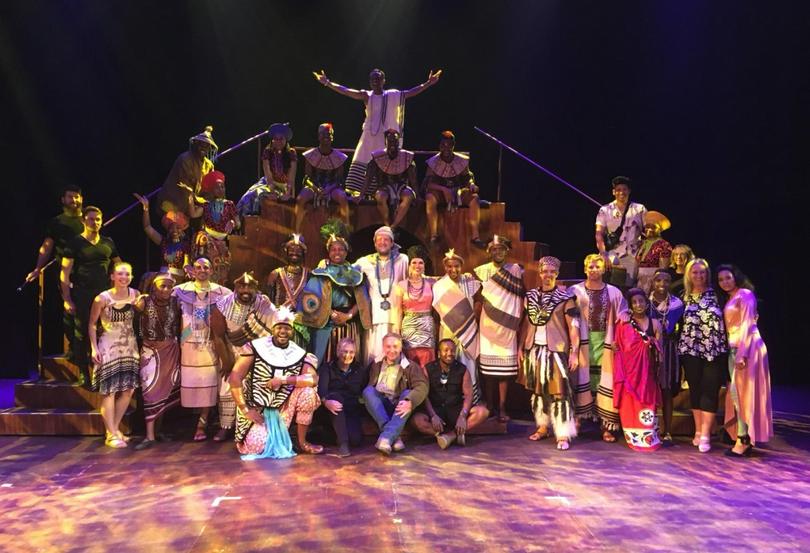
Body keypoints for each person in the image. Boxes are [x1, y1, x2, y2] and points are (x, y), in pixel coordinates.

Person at [313, 67, 442, 194]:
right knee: (363, 166)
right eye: (373, 79)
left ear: (383, 80)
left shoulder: (393, 95)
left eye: (378, 78)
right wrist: (327, 83)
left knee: (383, 166)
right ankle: (360, 195)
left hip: (386, 140)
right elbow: (346, 91)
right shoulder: (367, 96)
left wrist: (428, 83)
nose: (375, 81)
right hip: (369, 138)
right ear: (370, 82)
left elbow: (410, 92)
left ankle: (384, 192)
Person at [229, 307, 324, 458]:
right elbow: (234, 377)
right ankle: (282, 437)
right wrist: (245, 409)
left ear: (292, 331)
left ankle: (302, 441)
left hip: (284, 408)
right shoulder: (255, 347)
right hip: (257, 407)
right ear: (273, 329)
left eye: (287, 328)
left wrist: (284, 380)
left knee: (308, 393)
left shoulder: (299, 353)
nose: (283, 331)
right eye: (279, 327)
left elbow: (312, 379)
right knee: (257, 446)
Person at [518, 256, 580, 450]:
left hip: (556, 351)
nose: (548, 275)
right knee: (539, 391)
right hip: (534, 350)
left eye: (552, 272)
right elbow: (526, 323)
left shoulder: (566, 298)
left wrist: (574, 352)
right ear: (540, 273)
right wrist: (521, 346)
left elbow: (574, 327)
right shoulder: (531, 296)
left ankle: (562, 433)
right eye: (545, 271)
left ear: (557, 274)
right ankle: (542, 427)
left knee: (559, 392)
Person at [210, 272, 278, 442]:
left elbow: (274, 330)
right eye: (241, 286)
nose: (245, 290)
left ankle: (255, 425)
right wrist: (227, 362)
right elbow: (218, 337)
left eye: (250, 286)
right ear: (235, 288)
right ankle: (225, 426)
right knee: (227, 388)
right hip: (231, 352)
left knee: (258, 388)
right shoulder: (222, 305)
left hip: (258, 353)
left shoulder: (264, 304)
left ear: (256, 288)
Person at [60, 206, 122, 387]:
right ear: (83, 221)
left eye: (98, 219)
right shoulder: (74, 243)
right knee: (82, 334)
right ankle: (83, 372)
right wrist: (67, 299)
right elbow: (64, 274)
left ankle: (102, 371)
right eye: (91, 219)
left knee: (105, 332)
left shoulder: (108, 242)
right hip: (83, 293)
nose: (95, 222)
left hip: (104, 295)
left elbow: (119, 265)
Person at [570, 254, 628, 441]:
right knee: (581, 380)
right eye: (590, 266)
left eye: (597, 267)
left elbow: (622, 318)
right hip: (583, 342)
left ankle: (606, 425)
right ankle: (578, 419)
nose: (594, 270)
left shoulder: (614, 292)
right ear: (585, 269)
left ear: (604, 270)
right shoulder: (575, 291)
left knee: (605, 382)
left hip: (606, 342)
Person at [172, 257, 232, 442]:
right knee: (191, 383)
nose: (202, 270)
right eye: (198, 267)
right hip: (187, 343)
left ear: (211, 270)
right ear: (192, 271)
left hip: (210, 344)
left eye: (206, 267)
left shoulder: (222, 292)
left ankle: (202, 424)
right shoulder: (180, 291)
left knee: (208, 383)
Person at [716, 264, 773, 457]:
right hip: (735, 349)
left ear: (736, 277)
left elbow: (748, 324)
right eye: (721, 279)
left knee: (744, 394)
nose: (725, 282)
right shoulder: (731, 297)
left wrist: (742, 353)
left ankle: (744, 439)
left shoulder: (745, 294)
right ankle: (742, 436)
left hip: (748, 349)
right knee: (737, 395)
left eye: (728, 277)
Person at [677, 258, 729, 453]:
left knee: (710, 390)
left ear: (707, 274)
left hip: (714, 350)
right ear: (689, 275)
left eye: (702, 272)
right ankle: (698, 431)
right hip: (690, 350)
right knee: (695, 390)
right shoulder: (683, 296)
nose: (698, 276)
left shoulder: (718, 295)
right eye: (695, 272)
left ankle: (707, 433)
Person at [26, 186, 84, 358]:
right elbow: (47, 246)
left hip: (90, 271)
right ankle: (74, 348)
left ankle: (88, 347)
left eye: (77, 197)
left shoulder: (89, 220)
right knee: (70, 310)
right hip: (67, 273)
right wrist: (38, 268)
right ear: (63, 200)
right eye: (70, 197)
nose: (74, 200)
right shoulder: (57, 222)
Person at [87, 262, 140, 448]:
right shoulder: (102, 298)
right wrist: (94, 348)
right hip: (109, 346)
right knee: (109, 391)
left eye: (127, 274)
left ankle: (115, 429)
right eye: (119, 274)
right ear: (112, 276)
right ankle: (110, 434)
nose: (123, 277)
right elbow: (92, 324)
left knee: (128, 390)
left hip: (129, 347)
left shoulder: (135, 295)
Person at [300, 232, 372, 365]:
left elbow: (362, 302)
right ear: (328, 252)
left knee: (347, 359)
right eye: (333, 249)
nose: (337, 252)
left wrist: (348, 315)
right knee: (321, 361)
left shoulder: (356, 274)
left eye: (340, 249)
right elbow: (311, 299)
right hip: (325, 322)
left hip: (348, 323)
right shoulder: (320, 272)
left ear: (346, 252)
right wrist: (331, 313)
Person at [474, 235, 525, 423]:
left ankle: (502, 406)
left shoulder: (515, 270)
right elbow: (478, 296)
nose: (498, 252)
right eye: (494, 249)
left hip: (508, 325)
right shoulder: (481, 271)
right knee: (488, 371)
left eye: (501, 249)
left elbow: (520, 294)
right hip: (488, 324)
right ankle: (489, 405)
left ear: (507, 251)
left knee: (504, 371)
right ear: (489, 251)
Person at [133, 273, 182, 450]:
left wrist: (181, 341)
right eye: (162, 286)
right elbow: (133, 322)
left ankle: (158, 431)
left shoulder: (176, 303)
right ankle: (149, 435)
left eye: (169, 286)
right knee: (150, 391)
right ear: (154, 287)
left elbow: (186, 326)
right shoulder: (143, 302)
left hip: (170, 351)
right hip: (150, 351)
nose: (166, 290)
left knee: (165, 391)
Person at [411, 339, 490, 449]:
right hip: (436, 410)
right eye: (446, 350)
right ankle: (446, 435)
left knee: (483, 412)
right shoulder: (428, 369)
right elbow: (424, 394)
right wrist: (433, 415)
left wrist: (463, 416)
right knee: (416, 420)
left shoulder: (462, 369)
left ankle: (451, 436)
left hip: (455, 409)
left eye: (452, 351)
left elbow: (468, 395)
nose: (449, 353)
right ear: (439, 353)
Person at [612, 288, 663, 452]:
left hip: (647, 374)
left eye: (641, 301)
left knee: (647, 404)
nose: (638, 304)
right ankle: (633, 437)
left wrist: (651, 343)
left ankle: (649, 438)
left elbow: (660, 349)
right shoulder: (624, 322)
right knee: (631, 405)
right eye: (634, 302)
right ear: (630, 305)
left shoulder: (655, 323)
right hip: (630, 374)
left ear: (647, 303)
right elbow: (618, 346)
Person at [432, 249, 483, 404]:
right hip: (448, 329)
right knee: (447, 362)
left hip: (468, 328)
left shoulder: (470, 282)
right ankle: (449, 400)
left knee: (468, 363)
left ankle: (470, 401)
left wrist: (472, 315)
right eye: (449, 266)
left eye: (457, 266)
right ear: (445, 267)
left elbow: (479, 300)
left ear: (461, 266)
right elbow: (437, 310)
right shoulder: (439, 285)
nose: (453, 269)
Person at [363, 333, 428, 454]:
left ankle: (386, 438)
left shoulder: (410, 366)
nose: (392, 350)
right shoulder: (376, 364)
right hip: (381, 407)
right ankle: (394, 437)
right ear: (383, 347)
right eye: (388, 346)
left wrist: (410, 401)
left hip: (399, 407)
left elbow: (422, 386)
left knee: (408, 393)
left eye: (395, 346)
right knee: (368, 391)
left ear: (401, 347)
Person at [354, 226, 409, 365]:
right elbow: (346, 274)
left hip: (395, 316)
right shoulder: (364, 261)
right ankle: (374, 384)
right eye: (379, 240)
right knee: (375, 353)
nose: (382, 242)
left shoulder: (402, 260)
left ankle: (394, 384)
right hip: (375, 317)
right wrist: (327, 264)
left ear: (392, 243)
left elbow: (413, 279)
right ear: (374, 243)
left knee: (394, 352)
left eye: (386, 239)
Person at [425, 131, 485, 248]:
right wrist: (443, 189)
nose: (446, 148)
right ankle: (433, 235)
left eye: (449, 145)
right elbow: (429, 184)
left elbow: (468, 179)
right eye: (444, 145)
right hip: (440, 193)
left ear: (453, 145)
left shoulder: (461, 160)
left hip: (458, 192)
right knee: (429, 198)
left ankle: (475, 237)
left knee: (474, 198)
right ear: (440, 146)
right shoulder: (433, 162)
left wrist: (472, 184)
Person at [647, 269, 685, 444]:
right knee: (650, 389)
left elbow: (682, 328)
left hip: (669, 350)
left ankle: (668, 430)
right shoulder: (645, 303)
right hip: (648, 350)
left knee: (667, 390)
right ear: (653, 282)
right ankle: (649, 428)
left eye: (666, 280)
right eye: (658, 280)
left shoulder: (677, 304)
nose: (662, 284)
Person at [184, 170, 240, 285]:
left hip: (222, 242)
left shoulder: (229, 204)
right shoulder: (206, 205)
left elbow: (238, 222)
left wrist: (233, 223)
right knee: (202, 238)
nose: (221, 189)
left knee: (221, 268)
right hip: (208, 239)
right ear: (211, 190)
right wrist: (190, 197)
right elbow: (193, 214)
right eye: (217, 187)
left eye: (222, 187)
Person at [317, 337, 369, 457]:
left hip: (351, 409)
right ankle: (343, 444)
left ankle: (329, 434)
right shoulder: (327, 368)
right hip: (331, 409)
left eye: (351, 352)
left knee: (356, 440)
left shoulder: (360, 370)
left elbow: (364, 390)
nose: (347, 355)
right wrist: (326, 402)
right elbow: (322, 391)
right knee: (336, 398)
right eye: (344, 351)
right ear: (338, 352)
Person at [359, 129, 417, 230]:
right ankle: (387, 225)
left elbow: (413, 180)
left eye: (395, 141)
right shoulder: (377, 157)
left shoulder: (406, 157)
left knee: (408, 196)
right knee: (381, 197)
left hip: (402, 187)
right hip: (383, 187)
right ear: (386, 142)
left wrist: (418, 196)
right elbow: (368, 178)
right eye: (390, 141)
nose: (392, 143)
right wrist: (361, 195)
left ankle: (393, 226)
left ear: (398, 141)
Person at [296, 123, 350, 232]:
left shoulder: (339, 157)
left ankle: (346, 229)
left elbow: (340, 180)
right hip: (314, 186)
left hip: (332, 187)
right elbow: (307, 178)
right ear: (318, 136)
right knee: (300, 199)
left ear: (332, 137)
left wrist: (329, 189)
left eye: (329, 134)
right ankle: (296, 231)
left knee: (342, 197)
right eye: (323, 134)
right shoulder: (310, 155)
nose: (326, 137)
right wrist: (316, 189)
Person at [595, 176, 647, 286]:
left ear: (629, 191)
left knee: (627, 287)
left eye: (624, 189)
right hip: (612, 253)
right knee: (607, 284)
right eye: (618, 190)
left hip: (632, 254)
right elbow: (599, 233)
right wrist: (603, 254)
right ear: (613, 192)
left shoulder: (639, 209)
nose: (621, 192)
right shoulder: (605, 210)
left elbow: (648, 231)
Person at [390, 245, 436, 368]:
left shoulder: (432, 283)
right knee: (410, 360)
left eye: (421, 263)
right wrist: (396, 332)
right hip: (409, 327)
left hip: (426, 327)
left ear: (424, 266)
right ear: (409, 265)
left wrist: (466, 276)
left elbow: (449, 280)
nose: (417, 265)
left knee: (428, 361)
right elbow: (398, 311)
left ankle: (426, 386)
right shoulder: (401, 285)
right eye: (414, 262)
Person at [158, 126, 217, 215]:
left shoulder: (209, 165)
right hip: (173, 204)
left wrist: (207, 202)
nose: (203, 147)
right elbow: (185, 187)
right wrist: (200, 202)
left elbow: (209, 188)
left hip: (192, 207)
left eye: (207, 145)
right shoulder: (185, 159)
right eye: (201, 144)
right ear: (196, 143)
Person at [134, 193, 191, 281]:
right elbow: (147, 227)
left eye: (178, 228)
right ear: (168, 230)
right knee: (146, 277)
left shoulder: (185, 245)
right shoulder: (164, 242)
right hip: (162, 274)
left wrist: (187, 267)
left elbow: (186, 262)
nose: (174, 230)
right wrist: (146, 209)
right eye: (171, 228)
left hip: (177, 277)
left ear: (182, 230)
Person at [265, 234, 310, 310]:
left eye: (298, 250)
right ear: (287, 252)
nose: (294, 253)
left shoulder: (308, 275)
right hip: (279, 317)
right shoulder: (275, 274)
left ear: (303, 253)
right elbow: (269, 302)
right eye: (292, 250)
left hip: (301, 318)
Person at [635, 211, 673, 293]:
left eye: (653, 227)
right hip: (638, 281)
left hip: (652, 282)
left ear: (659, 230)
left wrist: (656, 284)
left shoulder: (664, 245)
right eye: (647, 227)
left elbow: (663, 270)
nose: (649, 229)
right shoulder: (642, 243)